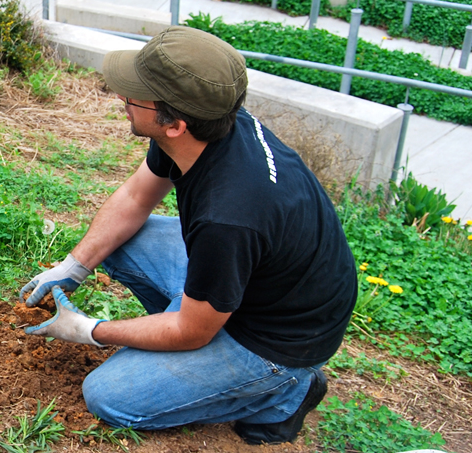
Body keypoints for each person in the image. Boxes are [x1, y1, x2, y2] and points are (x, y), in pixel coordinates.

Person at [18, 26, 357, 445]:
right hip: (255, 280)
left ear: (175, 123)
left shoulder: (227, 217)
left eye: (133, 95)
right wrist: (74, 266)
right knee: (121, 240)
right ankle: (187, 336)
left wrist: (91, 330)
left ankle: (285, 391)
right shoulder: (208, 124)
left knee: (109, 396)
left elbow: (192, 332)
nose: (122, 99)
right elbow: (134, 197)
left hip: (276, 339)